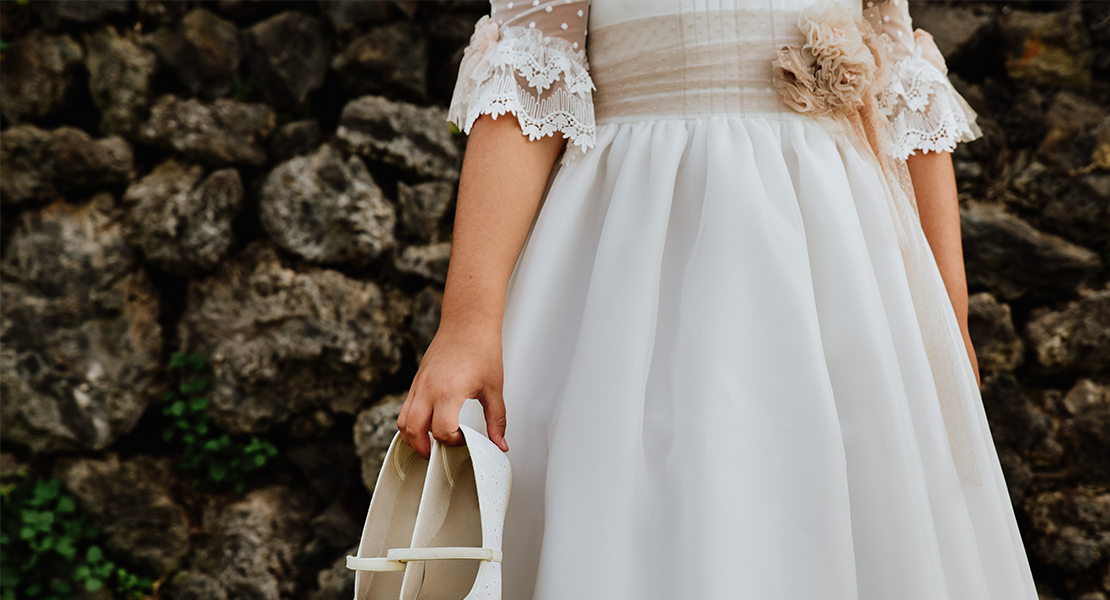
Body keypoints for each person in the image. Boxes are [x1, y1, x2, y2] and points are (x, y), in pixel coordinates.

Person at [397, 0, 1039, 598]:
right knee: (631, 481)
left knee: (855, 482)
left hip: (840, 260)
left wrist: (946, 319)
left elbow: (902, 98)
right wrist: (467, 323)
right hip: (629, 254)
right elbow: (527, 84)